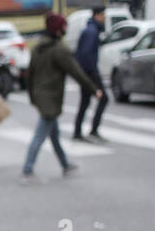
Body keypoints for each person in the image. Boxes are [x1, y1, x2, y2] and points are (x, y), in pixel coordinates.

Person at [22, 12, 101, 184]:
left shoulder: (37, 47)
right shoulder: (59, 50)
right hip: (50, 99)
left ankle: (65, 165)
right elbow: (77, 72)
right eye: (64, 26)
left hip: (40, 97)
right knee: (40, 135)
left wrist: (32, 96)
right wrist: (94, 89)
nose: (66, 29)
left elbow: (29, 75)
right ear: (58, 30)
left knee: (54, 134)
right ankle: (27, 171)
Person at [72, 6, 109, 143]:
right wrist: (92, 74)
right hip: (89, 72)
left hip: (85, 72)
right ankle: (93, 130)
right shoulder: (92, 32)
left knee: (85, 102)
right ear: (97, 15)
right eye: (103, 15)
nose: (105, 19)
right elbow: (86, 55)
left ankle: (78, 131)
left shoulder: (90, 30)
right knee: (103, 99)